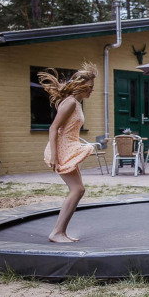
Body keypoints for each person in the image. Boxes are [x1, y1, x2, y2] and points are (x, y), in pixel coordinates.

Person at [39, 62, 98, 243]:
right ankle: (57, 232)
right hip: (63, 149)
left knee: (78, 189)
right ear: (81, 85)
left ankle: (61, 232)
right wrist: (54, 156)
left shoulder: (76, 103)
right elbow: (53, 128)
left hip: (70, 147)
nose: (92, 90)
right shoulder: (71, 102)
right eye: (90, 86)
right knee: (77, 189)